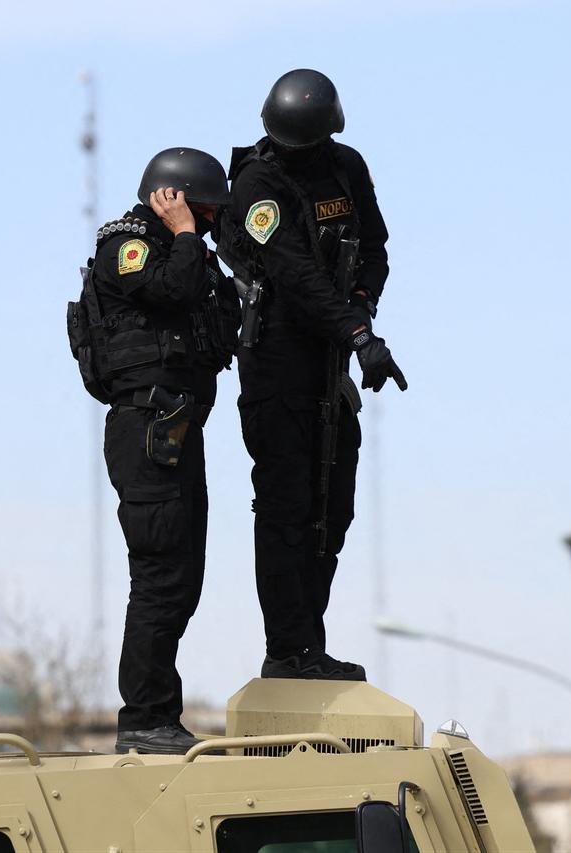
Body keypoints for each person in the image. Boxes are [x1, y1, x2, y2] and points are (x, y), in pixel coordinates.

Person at [221, 69, 407, 682]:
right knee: (287, 506)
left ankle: (311, 644)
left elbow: (375, 246)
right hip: (278, 356)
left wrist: (361, 304)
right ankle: (289, 650)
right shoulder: (256, 186)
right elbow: (296, 278)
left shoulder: (347, 167)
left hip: (330, 357)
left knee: (335, 502)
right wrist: (359, 336)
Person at [84, 148, 239, 753]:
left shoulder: (189, 253)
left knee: (182, 577)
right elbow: (172, 290)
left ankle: (156, 717)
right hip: (145, 429)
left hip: (175, 430)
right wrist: (182, 234)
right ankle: (145, 720)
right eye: (199, 209)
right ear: (171, 199)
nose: (206, 221)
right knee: (158, 576)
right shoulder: (130, 248)